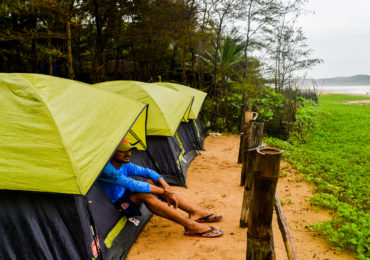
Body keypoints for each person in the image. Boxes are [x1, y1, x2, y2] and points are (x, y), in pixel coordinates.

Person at [98, 139, 223, 238]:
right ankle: (189, 225)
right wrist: (165, 191)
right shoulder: (107, 170)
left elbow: (148, 172)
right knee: (144, 193)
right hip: (116, 206)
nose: (128, 154)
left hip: (125, 194)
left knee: (150, 181)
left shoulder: (125, 163)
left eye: (129, 150)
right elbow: (133, 185)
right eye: (123, 151)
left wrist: (166, 186)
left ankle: (194, 212)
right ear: (113, 152)